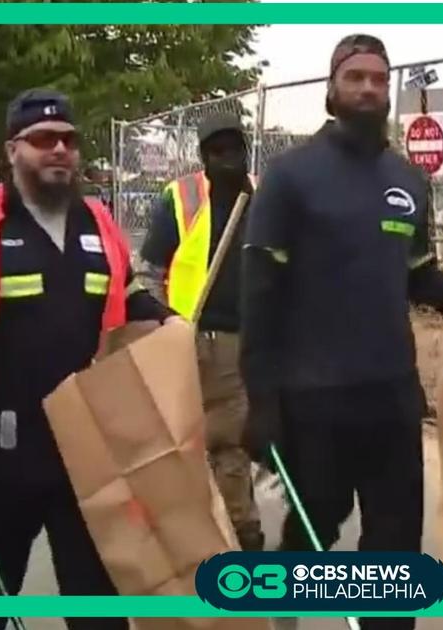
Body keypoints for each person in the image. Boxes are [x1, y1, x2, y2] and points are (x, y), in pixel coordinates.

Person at [238, 34, 443, 630]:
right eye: (355, 77)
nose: (369, 88)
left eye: (379, 79)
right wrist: (262, 402)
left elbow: (419, 279)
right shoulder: (290, 176)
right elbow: (259, 295)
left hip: (390, 396)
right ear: (331, 88)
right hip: (312, 397)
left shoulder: (409, 180)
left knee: (396, 546)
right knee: (314, 527)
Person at [0, 88, 175, 630]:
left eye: (68, 141)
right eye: (43, 140)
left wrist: (169, 322)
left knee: (98, 595)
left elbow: (124, 296)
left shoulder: (97, 223)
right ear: (13, 151)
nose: (59, 151)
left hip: (86, 439)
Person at [137, 111, 263, 552]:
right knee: (193, 442)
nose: (227, 158)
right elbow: (151, 271)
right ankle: (210, 537)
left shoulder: (262, 196)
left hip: (246, 340)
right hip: (190, 335)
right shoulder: (182, 197)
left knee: (230, 443)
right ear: (203, 154)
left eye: (235, 148)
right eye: (217, 150)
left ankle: (240, 534)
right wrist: (161, 328)